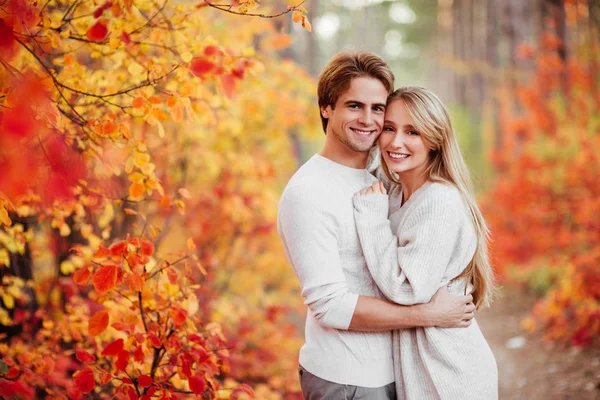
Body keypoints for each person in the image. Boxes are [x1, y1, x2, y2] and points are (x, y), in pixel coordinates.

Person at [277, 51, 476, 400]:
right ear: (326, 107)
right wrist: (429, 314)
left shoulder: (379, 181)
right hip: (349, 379)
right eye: (354, 106)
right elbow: (330, 305)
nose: (368, 119)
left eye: (378, 109)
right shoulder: (308, 191)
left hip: (399, 373)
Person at [353, 86, 498, 399]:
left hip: (450, 376)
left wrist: (372, 219)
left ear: (434, 140)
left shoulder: (438, 201)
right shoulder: (395, 194)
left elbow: (407, 288)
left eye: (413, 132)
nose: (396, 142)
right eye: (389, 128)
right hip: (423, 371)